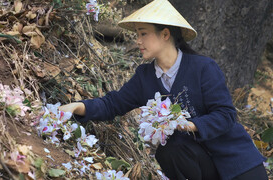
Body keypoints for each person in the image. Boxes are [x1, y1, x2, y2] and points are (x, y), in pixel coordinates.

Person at [58, 0, 268, 179]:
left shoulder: (203, 68)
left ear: (165, 34)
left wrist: (189, 125)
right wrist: (77, 106)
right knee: (169, 150)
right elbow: (113, 103)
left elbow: (226, 115)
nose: (138, 41)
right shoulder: (145, 77)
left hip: (239, 164)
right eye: (137, 34)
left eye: (143, 33)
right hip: (201, 165)